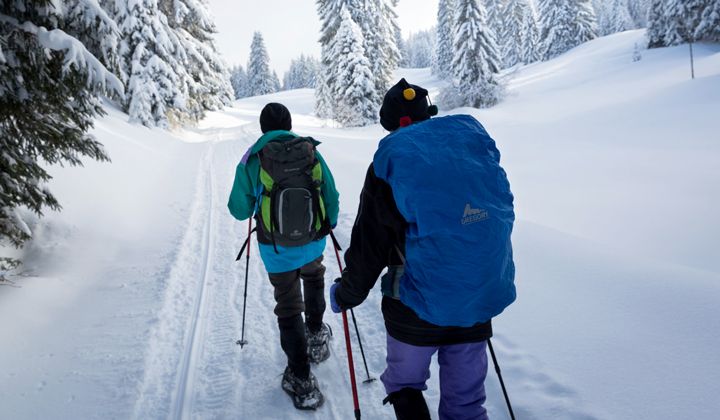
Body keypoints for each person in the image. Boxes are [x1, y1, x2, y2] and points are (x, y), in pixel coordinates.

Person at [329, 79, 516, 420]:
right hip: (475, 304)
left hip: (413, 308)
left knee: (405, 386)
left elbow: (371, 244)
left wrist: (347, 294)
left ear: (391, 122)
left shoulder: (390, 164)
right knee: (467, 404)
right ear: (426, 114)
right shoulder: (469, 150)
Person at [228, 102, 339, 411]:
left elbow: (238, 210)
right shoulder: (310, 151)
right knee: (314, 277)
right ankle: (316, 337)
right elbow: (331, 194)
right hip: (312, 240)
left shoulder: (253, 158)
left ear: (264, 128)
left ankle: (302, 380)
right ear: (289, 125)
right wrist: (327, 223)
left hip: (275, 248)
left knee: (288, 303)